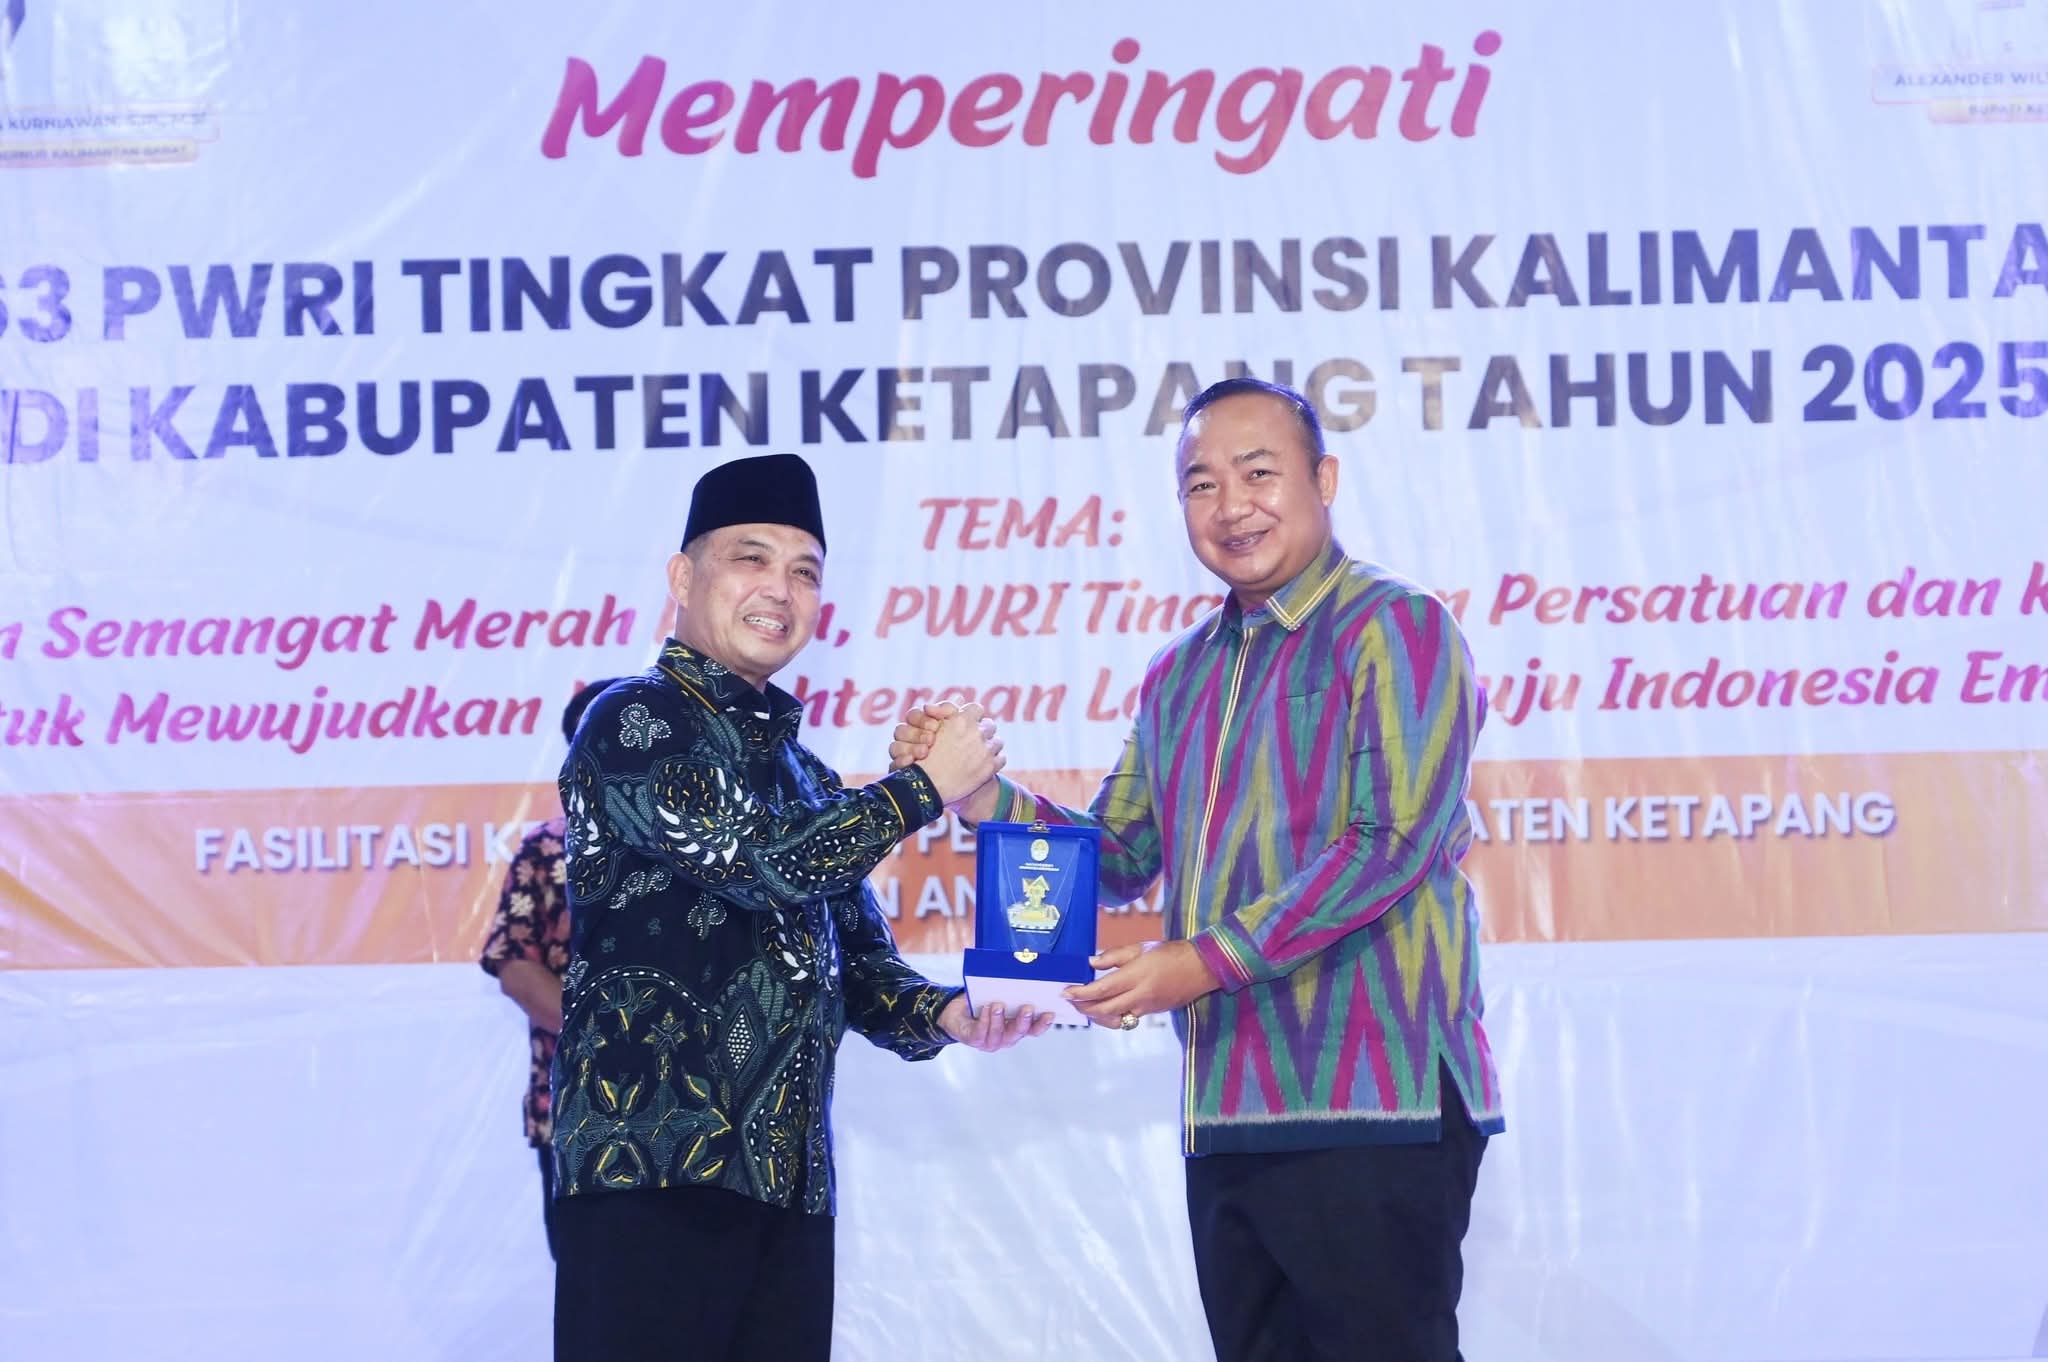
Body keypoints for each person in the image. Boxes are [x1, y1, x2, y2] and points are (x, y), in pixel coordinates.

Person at [893, 378, 1504, 1362]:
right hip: (1227, 1107)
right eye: (1201, 484)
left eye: (1258, 474)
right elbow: (1118, 855)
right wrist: (977, 797)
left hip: (1373, 1100)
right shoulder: (1178, 674)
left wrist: (1196, 963)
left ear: (1323, 479)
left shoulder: (1397, 627)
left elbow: (1389, 843)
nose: (1230, 506)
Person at [549, 451, 1050, 1362]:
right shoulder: (632, 719)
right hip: (649, 1170)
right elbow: (755, 866)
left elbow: (859, 966)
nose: (780, 589)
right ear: (683, 578)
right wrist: (921, 788)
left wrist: (952, 1013)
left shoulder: (804, 773)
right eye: (752, 557)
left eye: (805, 571)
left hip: (787, 1184)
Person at [478, 677, 622, 1261]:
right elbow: (515, 964)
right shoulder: (548, 848)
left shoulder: (707, 850)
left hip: (694, 1117)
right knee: (593, 1286)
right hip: (576, 1109)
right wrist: (618, 1043)